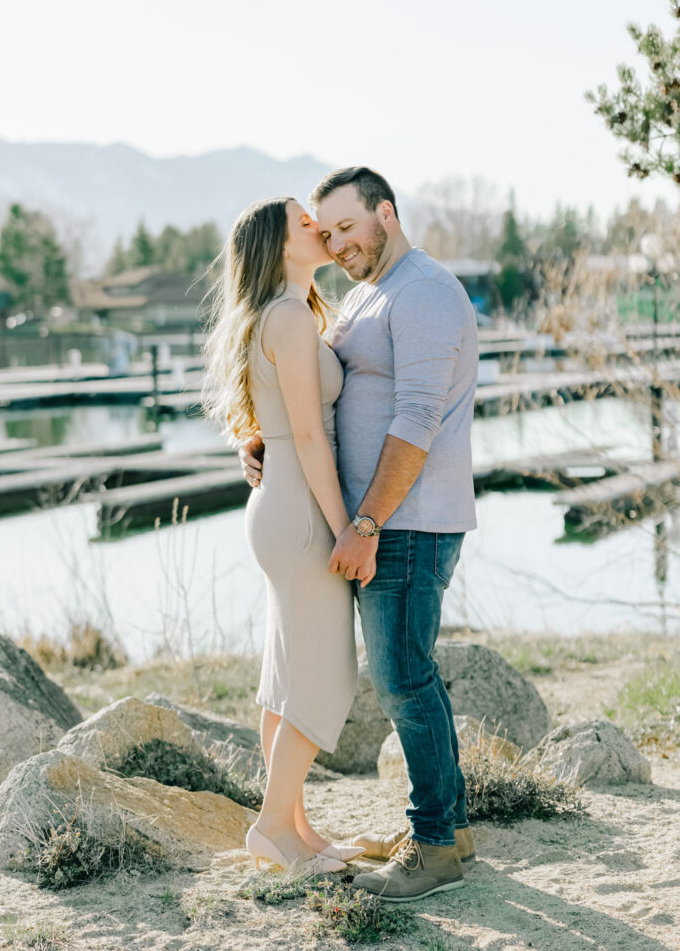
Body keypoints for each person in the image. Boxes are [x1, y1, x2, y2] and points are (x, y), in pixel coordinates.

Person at [241, 167, 479, 902]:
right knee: (392, 676)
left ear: (386, 212)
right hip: (355, 522)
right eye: (325, 229)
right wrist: (265, 443)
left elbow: (414, 423)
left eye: (347, 227)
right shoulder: (363, 296)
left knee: (401, 678)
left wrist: (365, 522)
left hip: (402, 521)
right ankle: (441, 832)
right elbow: (303, 400)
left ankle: (435, 844)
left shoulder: (426, 293)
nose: (336, 241)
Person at [203, 196, 366, 877]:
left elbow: (271, 424)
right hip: (300, 510)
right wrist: (349, 528)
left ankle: (296, 827)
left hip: (278, 506)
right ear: (278, 244)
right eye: (304, 223)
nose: (319, 228)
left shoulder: (282, 314)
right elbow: (305, 435)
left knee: (286, 675)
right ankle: (273, 827)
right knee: (325, 675)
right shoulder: (291, 317)